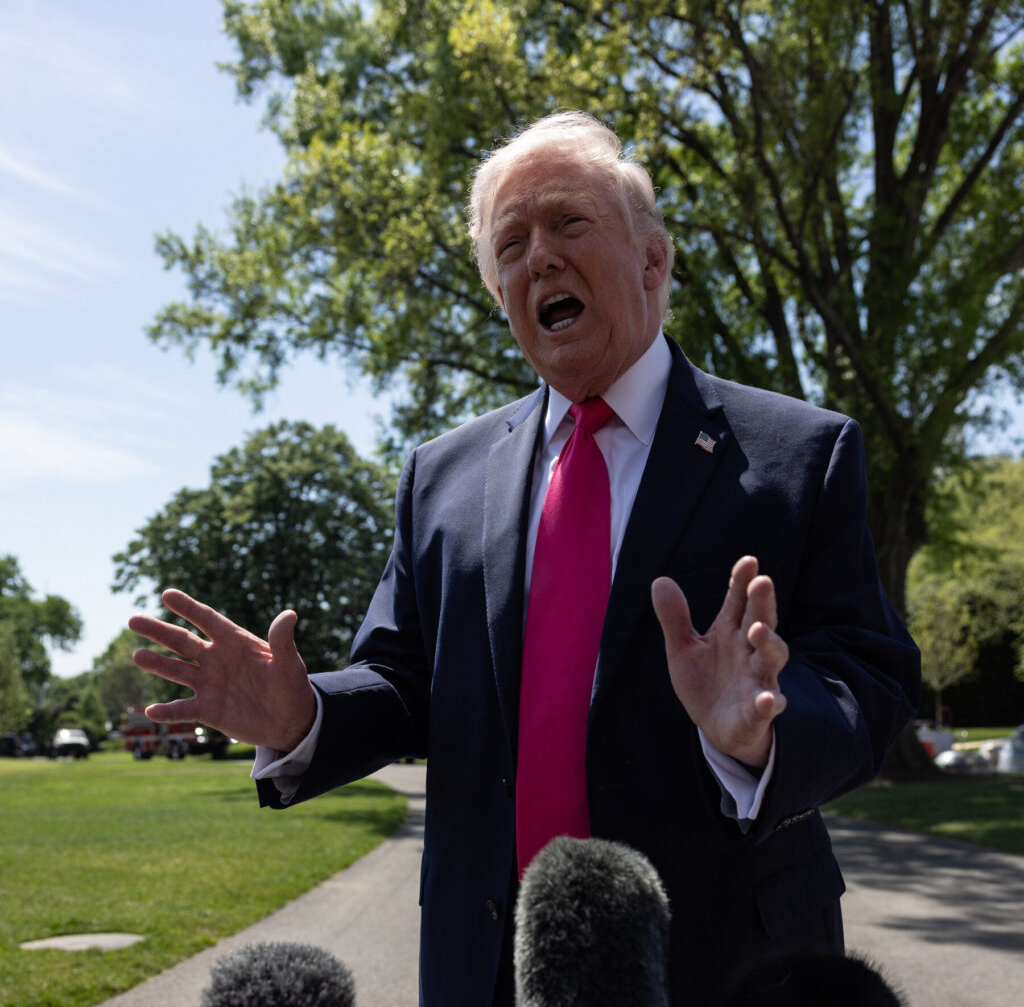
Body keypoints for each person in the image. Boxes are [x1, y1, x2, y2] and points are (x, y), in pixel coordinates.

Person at [129, 111, 920, 1007]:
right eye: (511, 245)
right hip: (485, 963)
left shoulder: (799, 453)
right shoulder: (440, 476)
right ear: (502, 295)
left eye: (569, 222)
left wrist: (763, 732)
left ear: (653, 260)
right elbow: (401, 681)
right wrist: (304, 713)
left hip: (725, 958)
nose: (539, 257)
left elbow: (869, 675)